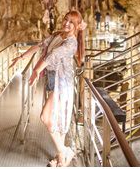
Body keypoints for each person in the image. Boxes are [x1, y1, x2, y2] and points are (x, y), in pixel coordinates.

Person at [12, 10, 85, 167]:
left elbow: (52, 56)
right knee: (56, 119)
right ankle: (61, 158)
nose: (66, 23)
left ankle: (64, 151)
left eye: (71, 22)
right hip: (52, 81)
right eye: (66, 20)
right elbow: (40, 46)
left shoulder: (72, 43)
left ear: (77, 26)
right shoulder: (58, 35)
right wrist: (22, 57)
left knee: (46, 117)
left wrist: (37, 70)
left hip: (62, 83)